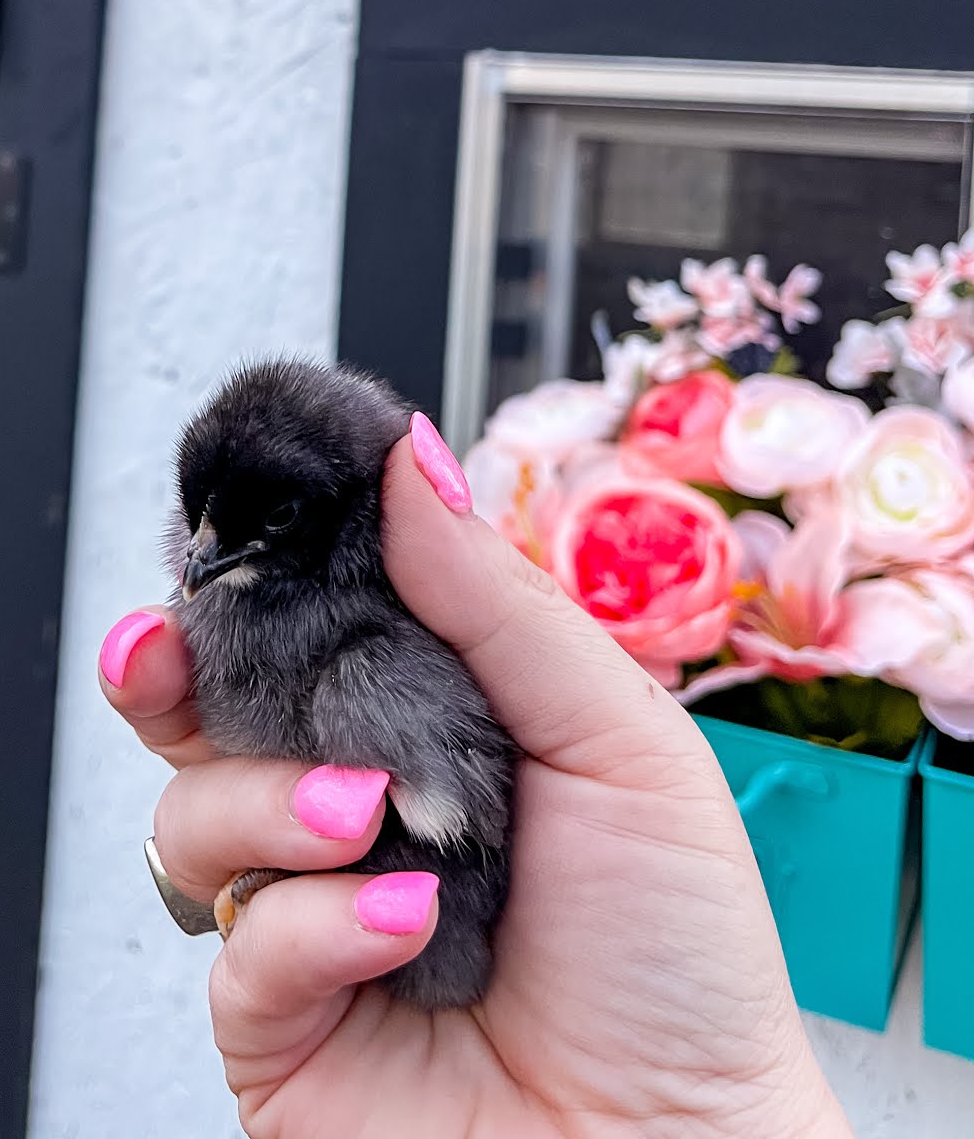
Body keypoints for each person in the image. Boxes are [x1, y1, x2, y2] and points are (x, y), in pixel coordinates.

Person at [99, 416, 855, 1139]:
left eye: (271, 520)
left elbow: (461, 817)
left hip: (449, 929)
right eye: (200, 523)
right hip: (408, 1006)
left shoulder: (369, 659)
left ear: (343, 505)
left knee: (363, 698)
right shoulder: (243, 591)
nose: (199, 560)